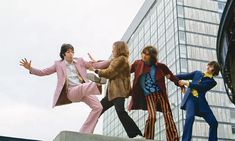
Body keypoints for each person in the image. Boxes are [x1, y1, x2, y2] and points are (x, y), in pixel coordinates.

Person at [20, 43, 109, 133]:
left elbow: (95, 66)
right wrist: (30, 68)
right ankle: (98, 83)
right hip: (71, 92)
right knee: (82, 87)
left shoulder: (80, 61)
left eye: (72, 52)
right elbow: (44, 72)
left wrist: (111, 61)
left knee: (98, 107)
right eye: (68, 52)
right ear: (63, 54)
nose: (71, 54)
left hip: (85, 90)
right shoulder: (58, 65)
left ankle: (85, 132)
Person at [89, 41, 143, 138]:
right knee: (98, 109)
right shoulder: (117, 60)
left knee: (120, 112)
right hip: (111, 94)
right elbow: (108, 64)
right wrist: (96, 62)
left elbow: (110, 72)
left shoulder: (122, 60)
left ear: (118, 49)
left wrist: (96, 71)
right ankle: (87, 130)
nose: (112, 50)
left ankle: (136, 134)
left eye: (113, 48)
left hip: (118, 92)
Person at [128, 45, 183, 140]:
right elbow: (126, 71)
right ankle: (148, 138)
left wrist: (180, 84)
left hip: (160, 93)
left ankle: (173, 139)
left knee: (168, 116)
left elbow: (171, 76)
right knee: (152, 117)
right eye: (143, 53)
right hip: (149, 95)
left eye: (147, 54)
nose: (144, 55)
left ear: (152, 56)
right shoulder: (138, 64)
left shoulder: (161, 67)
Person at [176, 61, 220, 141]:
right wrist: (171, 76)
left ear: (214, 71)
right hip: (191, 99)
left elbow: (201, 87)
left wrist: (187, 83)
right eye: (209, 65)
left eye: (211, 67)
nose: (208, 67)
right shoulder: (197, 73)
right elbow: (184, 76)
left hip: (201, 103)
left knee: (214, 123)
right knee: (190, 117)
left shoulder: (212, 82)